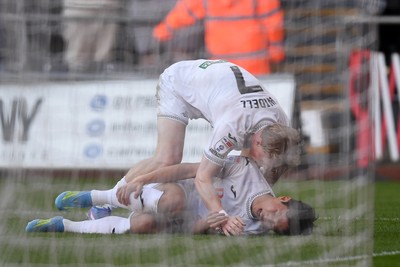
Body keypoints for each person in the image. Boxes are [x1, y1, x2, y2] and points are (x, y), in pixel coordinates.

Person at [116, 59, 301, 235]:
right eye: (262, 158)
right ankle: (110, 198)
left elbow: (269, 167)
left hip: (217, 85)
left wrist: (261, 198)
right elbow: (202, 177)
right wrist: (221, 215)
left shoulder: (282, 126)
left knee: (253, 164)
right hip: (179, 84)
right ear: (257, 141)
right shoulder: (233, 125)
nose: (260, 164)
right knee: (167, 159)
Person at [26, 156, 316, 236]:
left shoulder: (251, 230)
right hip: (169, 192)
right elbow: (190, 168)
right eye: (276, 213)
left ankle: (64, 226)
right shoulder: (246, 170)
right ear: (284, 198)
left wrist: (209, 224)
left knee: (142, 226)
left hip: (180, 221)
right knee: (174, 196)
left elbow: (193, 230)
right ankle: (100, 197)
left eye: (271, 225)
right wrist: (144, 179)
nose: (267, 219)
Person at [153, 0, 285, 75]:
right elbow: (273, 22)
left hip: (221, 66)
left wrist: (165, 28)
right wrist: (276, 48)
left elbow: (185, 11)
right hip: (255, 65)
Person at [62, 0, 122, 72]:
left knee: (103, 53)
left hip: (109, 6)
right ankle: (76, 70)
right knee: (77, 53)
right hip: (79, 6)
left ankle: (101, 68)